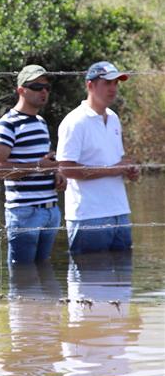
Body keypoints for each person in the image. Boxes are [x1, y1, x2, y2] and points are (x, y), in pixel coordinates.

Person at [56, 61, 139, 254]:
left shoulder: (114, 118)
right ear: (90, 85)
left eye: (116, 83)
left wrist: (128, 171)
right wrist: (112, 170)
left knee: (123, 280)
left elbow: (115, 162)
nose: (113, 88)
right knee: (89, 279)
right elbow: (66, 169)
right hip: (88, 216)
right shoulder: (74, 121)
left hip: (120, 212)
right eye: (107, 83)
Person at [0, 64, 66, 264]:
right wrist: (38, 166)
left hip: (50, 210)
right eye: (37, 87)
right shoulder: (7, 124)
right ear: (21, 90)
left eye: (47, 88)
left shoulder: (40, 122)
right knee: (23, 278)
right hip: (25, 212)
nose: (44, 92)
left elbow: (43, 162)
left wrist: (56, 173)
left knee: (42, 272)